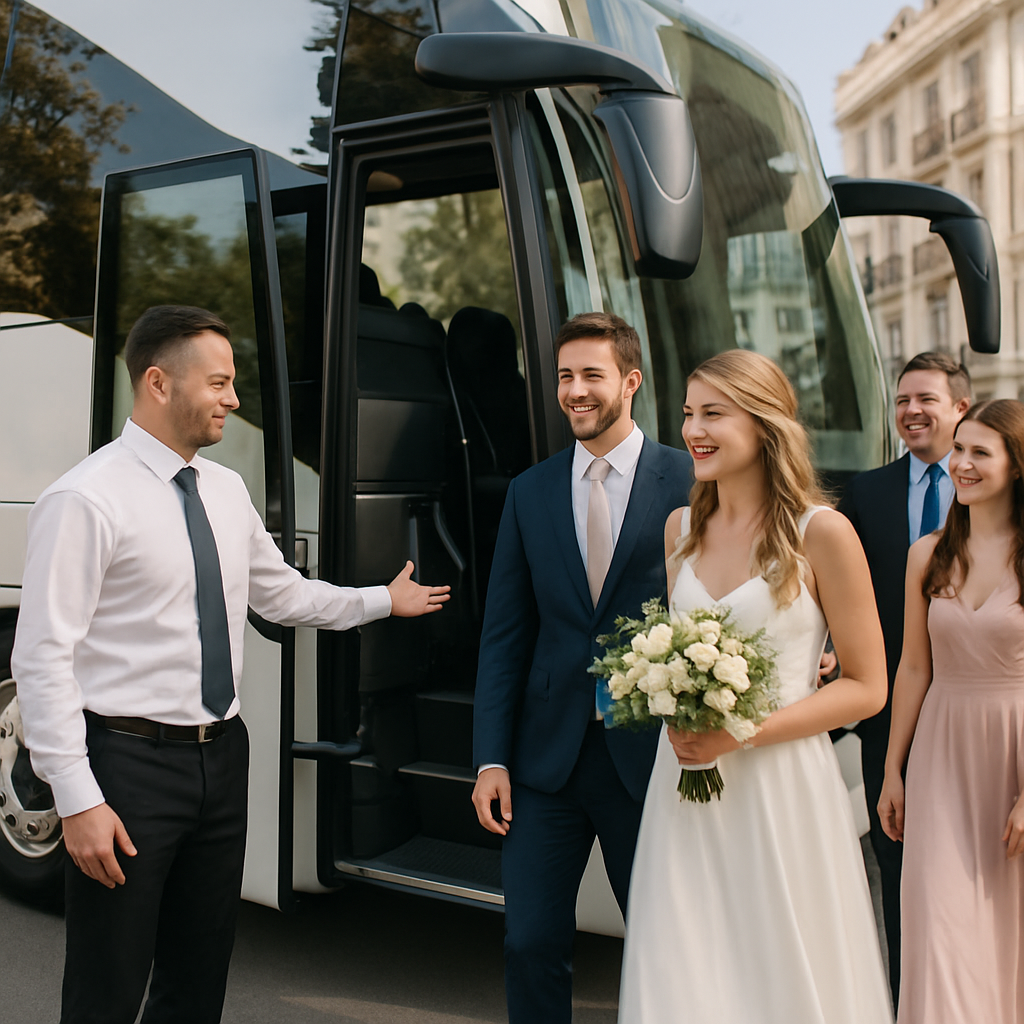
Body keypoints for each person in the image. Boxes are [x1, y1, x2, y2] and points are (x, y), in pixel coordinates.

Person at [11, 305, 450, 1024]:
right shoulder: (84, 499)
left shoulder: (224, 490)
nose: (235, 400)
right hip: (125, 765)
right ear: (158, 382)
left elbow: (281, 595)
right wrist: (78, 799)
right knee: (108, 983)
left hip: (221, 759)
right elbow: (42, 657)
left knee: (198, 973)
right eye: (218, 383)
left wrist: (380, 601)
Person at [619, 348, 892, 1024]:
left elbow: (867, 685)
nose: (693, 430)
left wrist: (741, 731)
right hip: (681, 785)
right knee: (682, 963)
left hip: (781, 788)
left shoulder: (823, 534)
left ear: (765, 425)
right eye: (687, 413)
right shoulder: (679, 529)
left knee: (778, 972)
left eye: (714, 413)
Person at [469, 311, 692, 1024]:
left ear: (629, 381)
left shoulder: (688, 478)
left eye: (592, 375)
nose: (575, 391)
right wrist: (489, 759)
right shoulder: (529, 491)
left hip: (650, 759)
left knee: (664, 943)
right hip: (544, 766)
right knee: (531, 940)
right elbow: (504, 635)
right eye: (565, 376)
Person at [878, 400, 1024, 1024]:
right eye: (958, 448)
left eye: (979, 453)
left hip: (1015, 750)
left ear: (1017, 467)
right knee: (938, 927)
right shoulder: (925, 555)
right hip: (940, 752)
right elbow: (914, 666)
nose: (959, 464)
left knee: (1007, 933)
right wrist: (892, 770)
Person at [837, 352, 971, 1002]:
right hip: (889, 708)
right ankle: (904, 1002)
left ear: (961, 409)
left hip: (978, 705)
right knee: (893, 863)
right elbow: (839, 591)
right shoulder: (864, 493)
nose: (911, 411)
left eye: (926, 399)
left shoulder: (996, 494)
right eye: (902, 401)